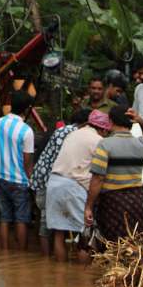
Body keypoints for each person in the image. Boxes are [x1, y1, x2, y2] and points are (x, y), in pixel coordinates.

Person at [47, 110, 109, 262]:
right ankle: (83, 280)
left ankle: (59, 277)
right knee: (85, 235)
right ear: (104, 129)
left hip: (54, 182)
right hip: (74, 186)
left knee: (59, 233)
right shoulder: (98, 141)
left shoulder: (73, 134)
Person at [84, 106, 143, 244]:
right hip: (136, 201)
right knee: (135, 245)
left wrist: (88, 206)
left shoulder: (105, 144)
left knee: (113, 246)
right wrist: (140, 121)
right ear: (131, 122)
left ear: (110, 121)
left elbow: (98, 178)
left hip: (112, 202)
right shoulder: (142, 144)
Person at [30, 108, 90, 256]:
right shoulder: (75, 134)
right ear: (86, 123)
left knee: (53, 227)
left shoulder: (63, 131)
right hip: (57, 182)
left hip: (47, 181)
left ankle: (48, 263)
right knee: (75, 228)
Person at [0, 91, 36, 251]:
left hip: (1, 177)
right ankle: (21, 256)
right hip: (19, 181)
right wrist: (32, 181)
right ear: (26, 109)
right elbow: (27, 161)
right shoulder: (26, 131)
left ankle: (5, 252)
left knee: (4, 218)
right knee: (21, 219)